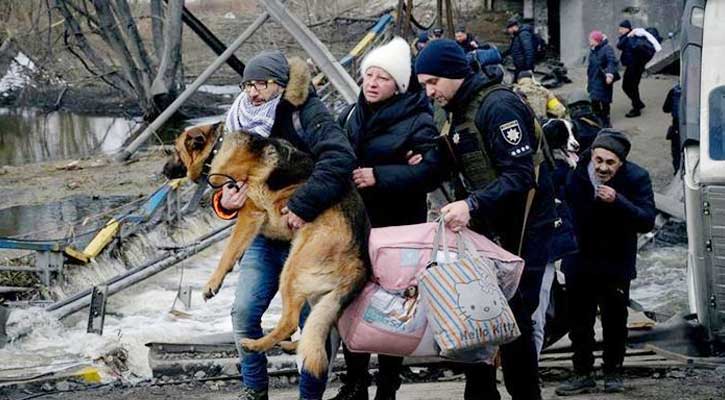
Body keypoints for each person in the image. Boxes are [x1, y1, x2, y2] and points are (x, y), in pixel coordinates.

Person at [416, 39, 556, 400]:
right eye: (424, 85)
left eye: (433, 82)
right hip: (489, 225)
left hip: (525, 225)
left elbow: (521, 176)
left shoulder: (498, 106)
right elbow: (445, 164)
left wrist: (471, 205)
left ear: (454, 73)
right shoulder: (456, 110)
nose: (429, 92)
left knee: (515, 319)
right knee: (477, 312)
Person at [215, 50, 357, 400]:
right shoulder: (238, 118)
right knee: (244, 311)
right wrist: (224, 201)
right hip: (265, 236)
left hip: (310, 236)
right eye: (247, 85)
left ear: (279, 84)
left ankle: (309, 396)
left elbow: (340, 159)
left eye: (261, 84)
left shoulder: (307, 112)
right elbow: (227, 178)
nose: (253, 92)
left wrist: (303, 204)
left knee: (311, 323)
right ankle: (254, 389)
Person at [329, 36, 442, 400]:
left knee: (393, 305)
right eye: (369, 75)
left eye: (383, 77)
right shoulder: (351, 114)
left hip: (398, 227)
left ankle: (388, 386)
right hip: (355, 223)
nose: (373, 83)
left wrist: (380, 175)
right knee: (353, 299)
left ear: (400, 84)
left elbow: (431, 172)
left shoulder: (418, 119)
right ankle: (355, 382)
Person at [556, 129, 656, 396]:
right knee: (579, 322)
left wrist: (618, 201)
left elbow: (647, 221)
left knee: (615, 322)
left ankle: (613, 372)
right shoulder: (576, 172)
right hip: (579, 259)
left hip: (616, 262)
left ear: (621, 163)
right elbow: (562, 204)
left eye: (610, 163)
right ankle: (582, 374)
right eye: (598, 160)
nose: (602, 168)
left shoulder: (636, 177)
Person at [616, 20, 661, 118]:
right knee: (632, 87)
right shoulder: (630, 36)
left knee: (628, 86)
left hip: (634, 66)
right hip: (635, 66)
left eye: (621, 28)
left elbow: (619, 46)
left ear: (627, 29)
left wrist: (628, 36)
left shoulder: (631, 38)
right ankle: (637, 104)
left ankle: (637, 107)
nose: (619, 30)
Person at [586, 30, 618, 128]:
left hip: (603, 78)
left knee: (604, 100)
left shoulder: (607, 48)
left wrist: (609, 74)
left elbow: (611, 61)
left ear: (596, 40)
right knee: (594, 99)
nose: (589, 41)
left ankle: (606, 120)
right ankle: (598, 117)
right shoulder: (593, 49)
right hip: (593, 78)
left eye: (591, 39)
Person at [505, 17, 536, 81]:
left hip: (524, 66)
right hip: (520, 66)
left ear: (513, 27)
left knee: (525, 83)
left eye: (508, 29)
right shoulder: (517, 34)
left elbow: (529, 50)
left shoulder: (523, 34)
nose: (508, 31)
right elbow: (512, 48)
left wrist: (528, 67)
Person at [662, 83, 681, 173]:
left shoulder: (675, 90)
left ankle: (678, 172)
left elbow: (666, 109)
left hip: (678, 127)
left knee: (677, 154)